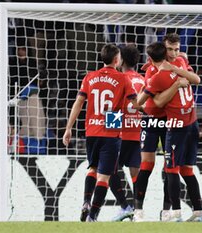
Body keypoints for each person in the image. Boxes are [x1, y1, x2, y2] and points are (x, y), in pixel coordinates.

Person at [63, 44, 138, 222]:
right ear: (117, 59)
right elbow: (135, 105)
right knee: (104, 176)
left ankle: (86, 202)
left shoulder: (90, 77)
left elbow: (78, 103)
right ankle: (93, 216)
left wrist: (68, 128)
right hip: (111, 127)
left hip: (92, 129)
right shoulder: (122, 78)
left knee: (93, 168)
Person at [133, 33, 198, 222]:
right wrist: (177, 84)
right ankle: (138, 210)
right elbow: (156, 101)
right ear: (163, 48)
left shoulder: (181, 61)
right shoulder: (152, 70)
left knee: (169, 167)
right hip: (153, 119)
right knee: (147, 165)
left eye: (176, 49)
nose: (173, 53)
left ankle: (166, 211)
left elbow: (192, 79)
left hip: (172, 120)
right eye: (170, 49)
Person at [109, 45, 144, 221]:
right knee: (136, 173)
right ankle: (138, 212)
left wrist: (109, 131)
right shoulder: (143, 80)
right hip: (137, 132)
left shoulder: (119, 79)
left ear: (121, 60)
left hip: (121, 133)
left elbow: (114, 106)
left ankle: (125, 206)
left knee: (109, 170)